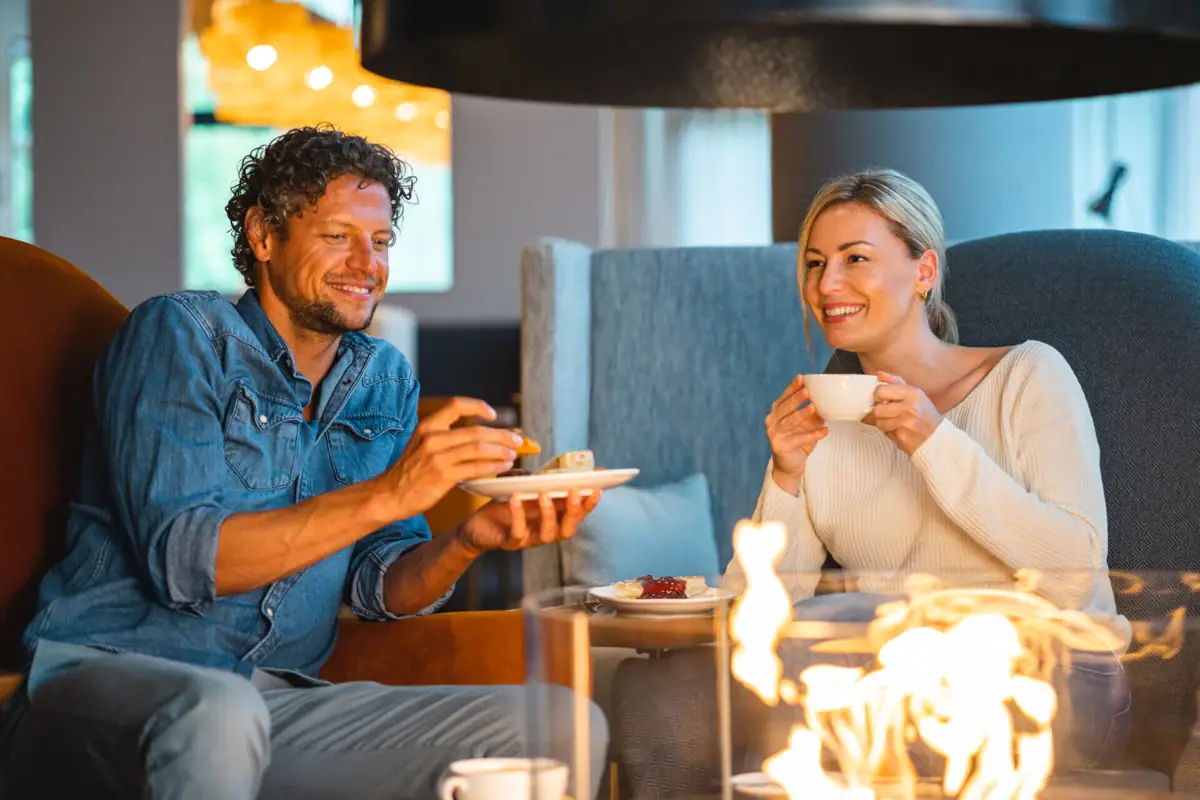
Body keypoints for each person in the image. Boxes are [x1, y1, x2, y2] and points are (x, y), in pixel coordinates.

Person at [0, 125, 607, 799]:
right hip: (108, 679)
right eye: (337, 235)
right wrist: (390, 493)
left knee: (557, 724)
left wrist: (467, 540)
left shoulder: (385, 379)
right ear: (264, 237)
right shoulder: (181, 335)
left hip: (275, 700)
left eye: (380, 242)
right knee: (218, 714)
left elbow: (379, 584)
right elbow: (184, 562)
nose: (366, 263)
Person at [613, 169, 1130, 796]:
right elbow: (757, 616)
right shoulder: (824, 423)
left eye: (855, 258)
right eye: (814, 264)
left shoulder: (1028, 376)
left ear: (923, 272)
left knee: (830, 640)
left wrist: (934, 442)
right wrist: (786, 477)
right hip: (887, 668)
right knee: (681, 682)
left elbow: (1076, 574)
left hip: (1061, 673)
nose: (828, 285)